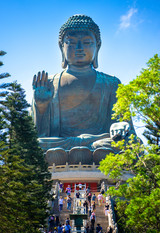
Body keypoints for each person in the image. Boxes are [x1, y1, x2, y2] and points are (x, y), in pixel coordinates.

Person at [32, 14, 136, 156]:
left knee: (131, 143)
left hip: (99, 143)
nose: (79, 48)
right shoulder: (48, 83)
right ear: (61, 47)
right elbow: (37, 134)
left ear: (97, 46)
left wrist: (121, 125)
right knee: (32, 146)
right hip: (59, 145)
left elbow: (123, 123)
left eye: (87, 42)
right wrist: (41, 107)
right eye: (72, 42)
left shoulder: (112, 83)